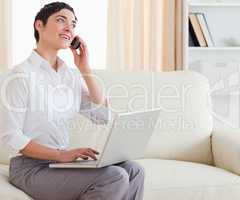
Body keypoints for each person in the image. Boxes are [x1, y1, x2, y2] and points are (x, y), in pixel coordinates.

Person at [0, 2, 145, 200]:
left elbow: (102, 116)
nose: (69, 28)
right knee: (114, 177)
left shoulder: (69, 76)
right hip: (29, 167)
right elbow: (10, 136)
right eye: (61, 20)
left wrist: (85, 69)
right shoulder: (20, 75)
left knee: (135, 171)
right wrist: (61, 154)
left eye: (73, 24)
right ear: (39, 25)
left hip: (60, 165)